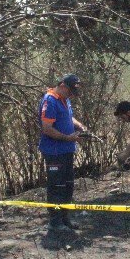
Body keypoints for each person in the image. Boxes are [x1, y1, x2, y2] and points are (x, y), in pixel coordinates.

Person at [38, 74, 87, 234]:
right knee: (56, 186)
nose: (72, 95)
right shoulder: (50, 100)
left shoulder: (65, 99)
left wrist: (79, 126)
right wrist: (67, 137)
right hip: (54, 152)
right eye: (71, 91)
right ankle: (54, 221)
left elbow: (68, 117)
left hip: (67, 150)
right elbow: (47, 128)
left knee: (68, 185)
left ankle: (65, 218)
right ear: (63, 86)